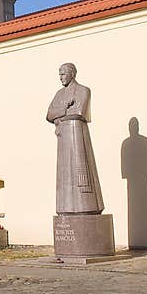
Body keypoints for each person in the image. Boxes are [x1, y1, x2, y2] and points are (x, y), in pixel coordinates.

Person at [46, 63, 104, 214]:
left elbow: (79, 111)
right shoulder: (59, 94)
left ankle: (87, 208)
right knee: (65, 174)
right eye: (59, 74)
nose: (61, 77)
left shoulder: (83, 90)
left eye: (63, 74)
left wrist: (59, 117)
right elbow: (49, 115)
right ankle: (66, 209)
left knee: (81, 171)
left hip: (77, 134)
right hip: (63, 138)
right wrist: (65, 107)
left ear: (72, 73)